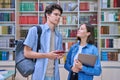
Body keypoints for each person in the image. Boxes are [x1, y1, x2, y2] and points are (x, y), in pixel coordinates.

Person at [23, 3, 64, 80]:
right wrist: (47, 55)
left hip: (54, 75)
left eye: (59, 15)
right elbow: (26, 53)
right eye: (56, 14)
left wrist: (59, 55)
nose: (58, 17)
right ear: (48, 15)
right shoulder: (35, 30)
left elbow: (56, 55)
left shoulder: (59, 35)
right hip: (39, 75)